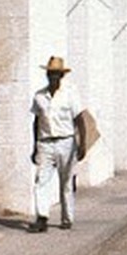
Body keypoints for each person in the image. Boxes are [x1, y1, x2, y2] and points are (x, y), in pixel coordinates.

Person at [29, 56, 83, 233]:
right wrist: (34, 146)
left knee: (66, 181)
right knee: (41, 181)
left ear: (61, 76)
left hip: (66, 141)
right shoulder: (39, 96)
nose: (53, 77)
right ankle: (42, 217)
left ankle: (67, 217)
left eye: (56, 74)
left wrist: (81, 144)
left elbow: (79, 119)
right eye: (50, 74)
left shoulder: (70, 94)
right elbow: (36, 121)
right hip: (45, 143)